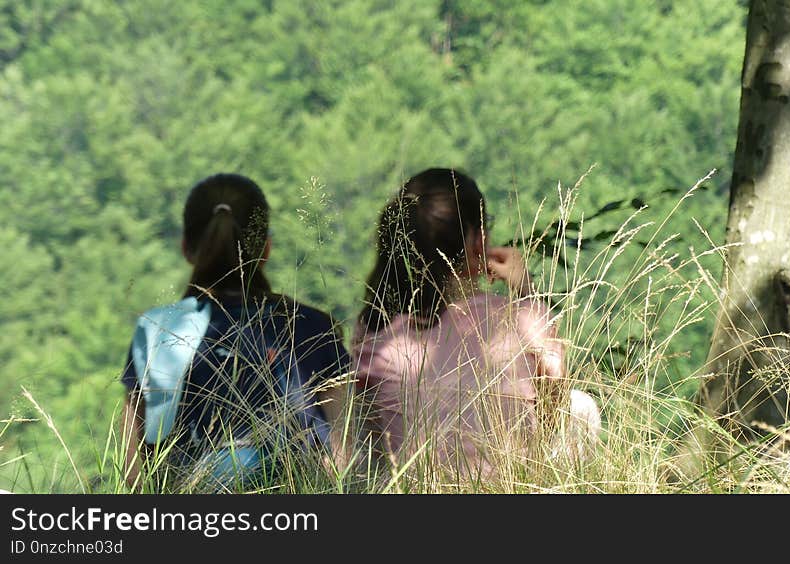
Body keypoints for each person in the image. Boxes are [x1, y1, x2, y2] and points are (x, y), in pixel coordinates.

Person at [352, 168, 599, 478]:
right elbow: (556, 396)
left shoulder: (376, 333)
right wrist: (527, 293)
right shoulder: (517, 318)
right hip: (511, 484)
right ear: (478, 242)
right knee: (581, 408)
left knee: (357, 418)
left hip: (411, 486)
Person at [120, 173, 350, 491]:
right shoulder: (312, 326)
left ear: (186, 247)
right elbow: (345, 453)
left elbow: (132, 469)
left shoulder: (157, 330)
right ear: (266, 248)